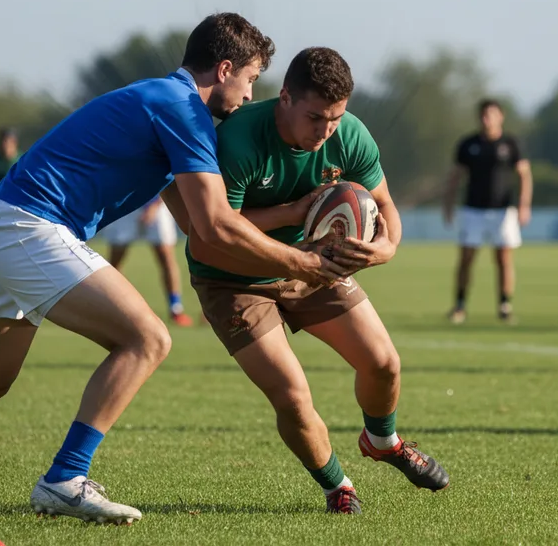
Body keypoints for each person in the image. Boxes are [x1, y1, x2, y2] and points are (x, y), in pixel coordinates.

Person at [0, 13, 343, 523]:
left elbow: (195, 224)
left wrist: (294, 218)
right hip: (30, 225)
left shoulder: (161, 101)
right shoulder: (183, 108)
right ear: (226, 68)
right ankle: (66, 479)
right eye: (252, 78)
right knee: (148, 339)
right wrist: (303, 261)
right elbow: (214, 226)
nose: (253, 95)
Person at [186, 47, 450, 514]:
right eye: (315, 118)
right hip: (233, 278)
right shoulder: (240, 139)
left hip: (314, 268)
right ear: (284, 96)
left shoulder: (349, 135)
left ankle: (382, 441)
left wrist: (385, 248)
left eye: (335, 118)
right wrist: (293, 213)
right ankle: (338, 487)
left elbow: (385, 205)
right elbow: (213, 233)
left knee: (384, 362)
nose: (325, 131)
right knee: (291, 395)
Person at [444, 99, 533, 324]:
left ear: (500, 117)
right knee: (466, 259)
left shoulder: (510, 143)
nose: (487, 119)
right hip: (472, 210)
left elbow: (524, 174)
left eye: (491, 115)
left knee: (503, 259)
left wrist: (524, 205)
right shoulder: (468, 144)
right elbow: (455, 178)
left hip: (503, 211)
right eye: (484, 115)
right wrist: (448, 205)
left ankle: (505, 305)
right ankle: (460, 305)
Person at [103, 197, 194, 326]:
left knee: (166, 257)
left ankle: (176, 309)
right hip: (124, 205)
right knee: (114, 262)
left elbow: (166, 177)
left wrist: (153, 205)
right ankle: (114, 309)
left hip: (156, 202)